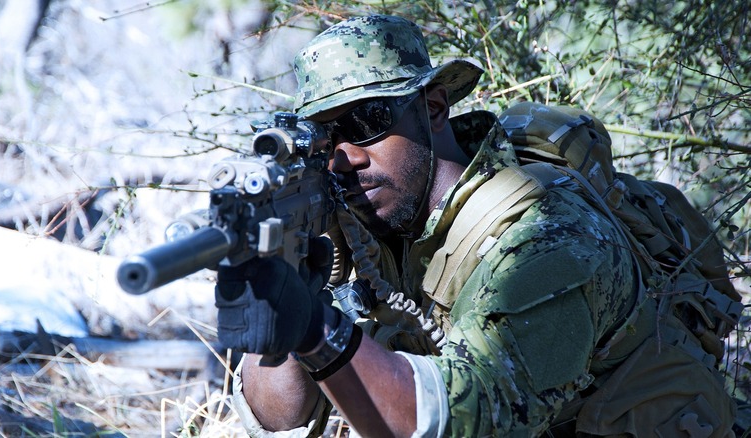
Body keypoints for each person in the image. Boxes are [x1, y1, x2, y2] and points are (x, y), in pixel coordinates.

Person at [215, 14, 738, 437]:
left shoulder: (546, 233)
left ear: (434, 108)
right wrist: (285, 297)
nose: (345, 158)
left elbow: (472, 419)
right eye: (326, 140)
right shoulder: (372, 226)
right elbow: (277, 416)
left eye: (366, 123)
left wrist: (317, 327)